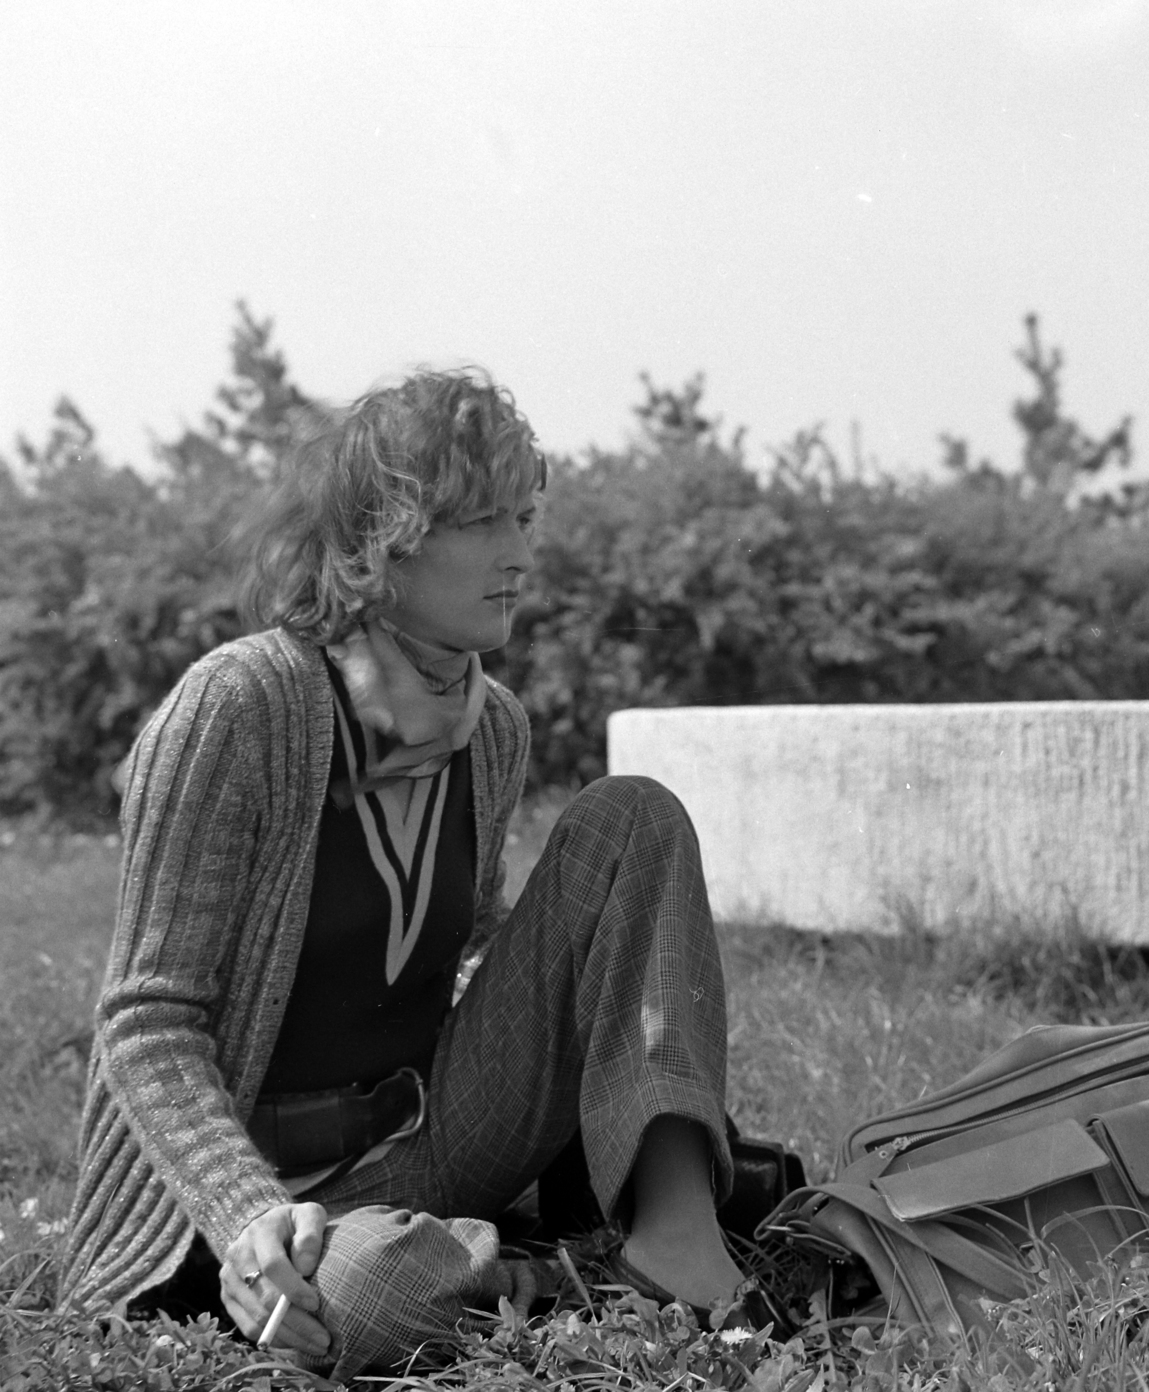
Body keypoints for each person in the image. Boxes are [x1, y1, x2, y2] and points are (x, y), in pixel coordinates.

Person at [61, 369, 780, 1376]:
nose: (522, 554)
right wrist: (244, 1215)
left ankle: (672, 1227)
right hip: (260, 1205)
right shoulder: (238, 707)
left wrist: (593, 1022)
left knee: (633, 816)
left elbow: (457, 958)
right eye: (483, 522)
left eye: (524, 517)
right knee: (365, 1289)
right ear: (380, 540)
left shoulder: (492, 729)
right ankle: (547, 1272)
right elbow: (146, 1024)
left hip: (427, 1137)